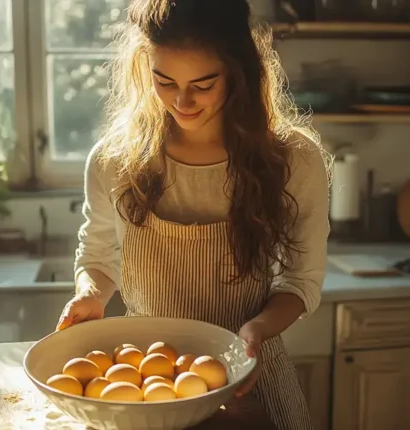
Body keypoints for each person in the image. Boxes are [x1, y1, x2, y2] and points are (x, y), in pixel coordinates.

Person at [56, 0, 330, 428]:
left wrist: (256, 332)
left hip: (250, 375)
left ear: (239, 72)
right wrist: (90, 293)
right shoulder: (116, 159)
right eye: (164, 81)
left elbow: (301, 280)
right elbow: (98, 256)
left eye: (203, 84)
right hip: (148, 380)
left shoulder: (292, 158)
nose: (182, 101)